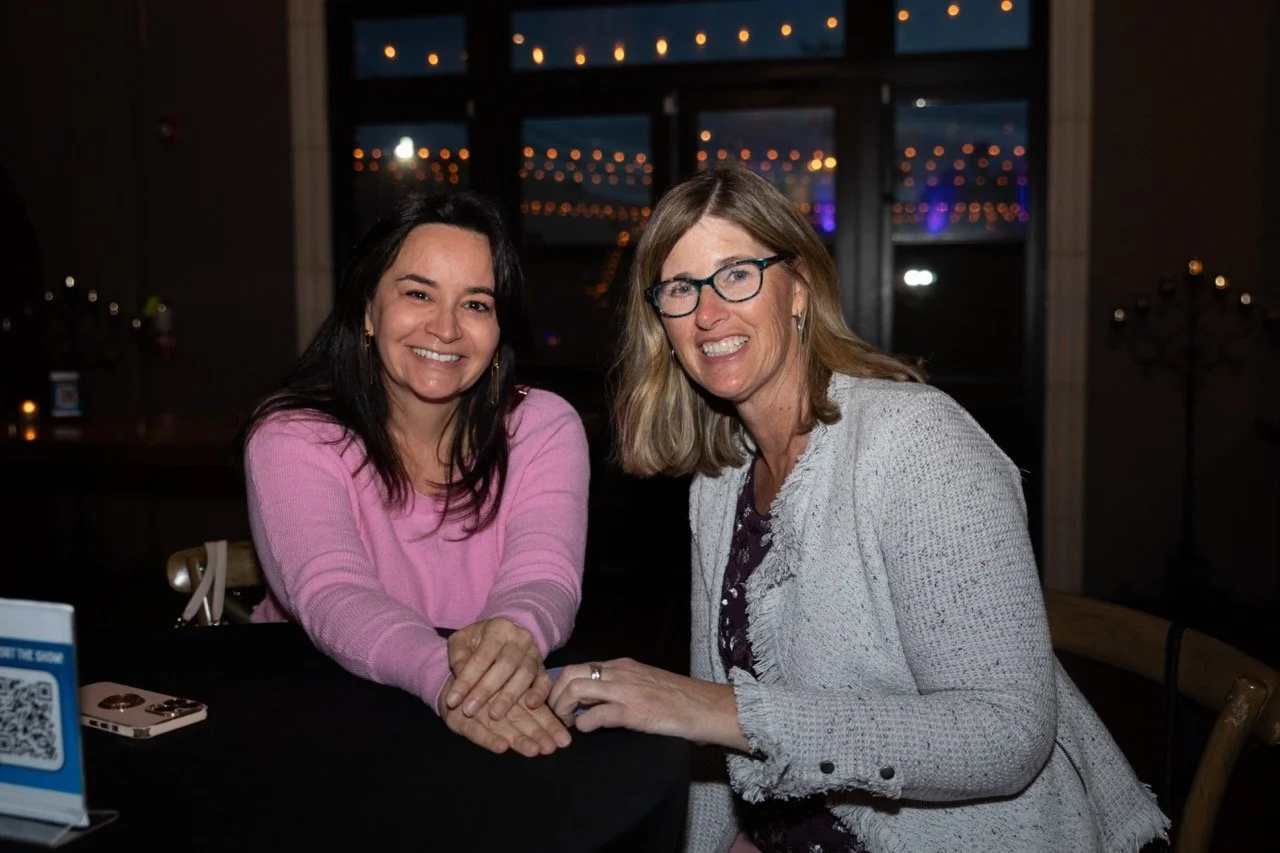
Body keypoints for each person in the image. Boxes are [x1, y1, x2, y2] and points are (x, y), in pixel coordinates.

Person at [549, 164, 1169, 852]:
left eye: (736, 275)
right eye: (680, 288)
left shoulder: (917, 442)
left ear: (799, 288)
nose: (707, 312)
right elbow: (714, 750)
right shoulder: (720, 480)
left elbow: (1009, 733)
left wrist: (720, 708)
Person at [239, 190, 589, 758]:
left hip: (487, 706)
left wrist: (514, 634)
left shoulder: (542, 426)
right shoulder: (292, 436)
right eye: (418, 294)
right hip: (312, 714)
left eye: (476, 304)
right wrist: (449, 681)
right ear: (367, 312)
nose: (446, 328)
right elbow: (335, 595)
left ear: (500, 330)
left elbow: (544, 574)